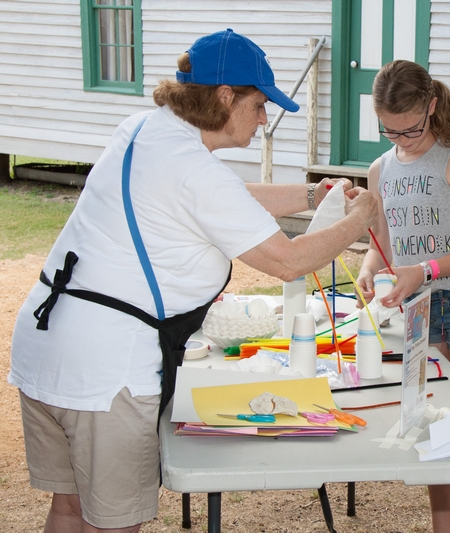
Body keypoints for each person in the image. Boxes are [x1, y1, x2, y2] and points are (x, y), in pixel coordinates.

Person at [8, 29, 377, 533]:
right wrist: (359, 221)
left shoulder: (143, 129)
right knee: (111, 524)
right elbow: (287, 262)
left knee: (70, 509)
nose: (264, 117)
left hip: (46, 343)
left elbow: (223, 197)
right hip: (105, 371)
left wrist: (313, 196)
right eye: (260, 103)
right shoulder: (191, 168)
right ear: (225, 97)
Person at [355, 60, 450, 533]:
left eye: (412, 129)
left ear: (432, 106)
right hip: (419, 311)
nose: (402, 140)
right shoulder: (380, 169)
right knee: (435, 427)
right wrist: (368, 268)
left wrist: (425, 270)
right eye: (390, 132)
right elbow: (384, 243)